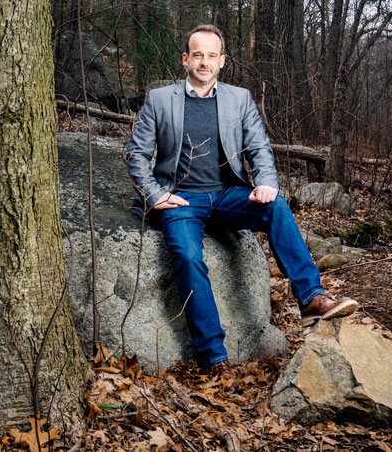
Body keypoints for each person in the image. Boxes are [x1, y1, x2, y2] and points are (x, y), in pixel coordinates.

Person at [125, 24, 358, 391]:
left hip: (226, 195)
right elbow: (136, 154)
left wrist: (266, 182)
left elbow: (259, 148)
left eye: (212, 55)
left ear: (222, 62)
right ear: (186, 59)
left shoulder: (239, 98)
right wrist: (155, 195)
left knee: (276, 206)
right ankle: (215, 357)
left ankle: (311, 297)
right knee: (187, 256)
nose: (204, 62)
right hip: (180, 200)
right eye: (197, 55)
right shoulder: (159, 99)